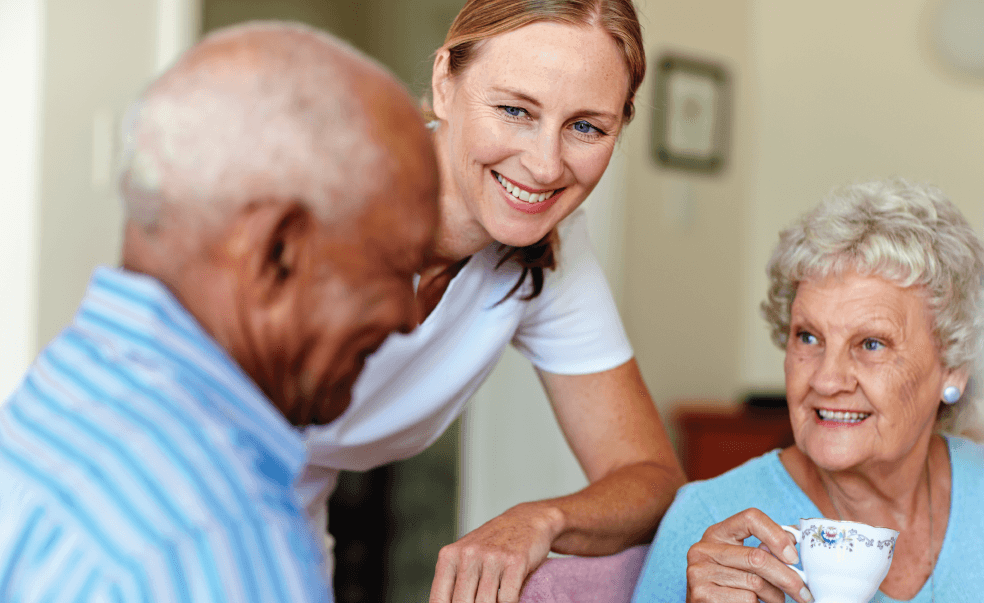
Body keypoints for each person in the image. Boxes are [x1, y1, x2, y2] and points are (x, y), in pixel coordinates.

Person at [0, 22, 438, 602]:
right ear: (276, 252)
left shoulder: (58, 403)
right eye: (395, 266)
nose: (410, 317)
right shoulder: (219, 536)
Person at [296, 1, 686, 602]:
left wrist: (542, 519)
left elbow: (652, 479)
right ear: (445, 83)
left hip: (286, 536)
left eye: (586, 127)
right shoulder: (317, 201)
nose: (544, 164)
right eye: (514, 110)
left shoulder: (552, 252)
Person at [631, 179, 984, 603]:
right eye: (808, 338)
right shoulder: (707, 522)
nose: (826, 380)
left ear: (954, 368)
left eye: (871, 344)